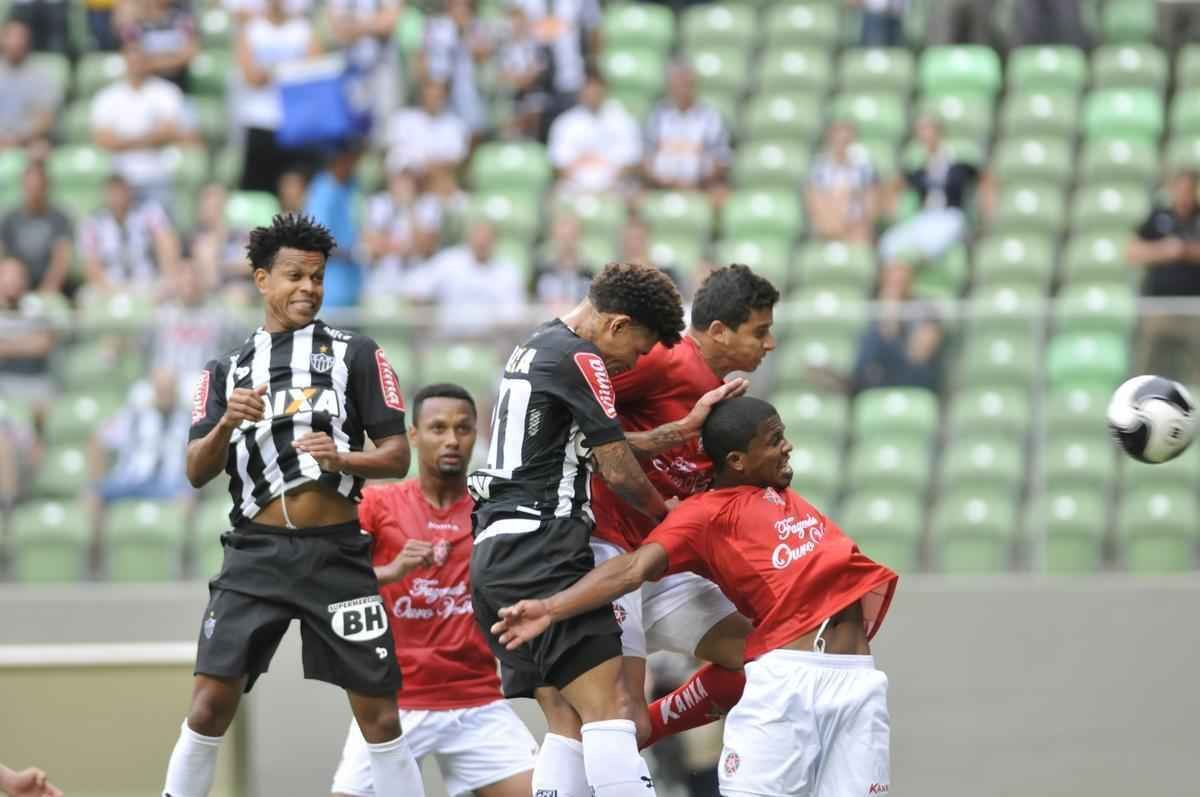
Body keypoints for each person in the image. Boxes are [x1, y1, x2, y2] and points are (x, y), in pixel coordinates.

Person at [493, 396, 899, 797]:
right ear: (737, 460)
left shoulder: (781, 493)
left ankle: (642, 733)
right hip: (790, 682)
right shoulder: (703, 514)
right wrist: (551, 608)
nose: (787, 447)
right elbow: (633, 569)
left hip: (860, 682)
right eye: (775, 440)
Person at [161, 214, 424, 797]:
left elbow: (397, 456)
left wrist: (342, 459)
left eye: (317, 277)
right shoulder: (225, 370)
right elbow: (196, 470)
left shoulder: (356, 353)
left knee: (381, 717)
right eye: (295, 276)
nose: (309, 287)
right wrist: (227, 423)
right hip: (255, 555)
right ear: (261, 279)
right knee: (207, 707)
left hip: (337, 556)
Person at [527, 265, 776, 797]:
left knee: (767, 657)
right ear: (719, 332)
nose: (769, 344)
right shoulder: (663, 361)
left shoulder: (721, 400)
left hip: (660, 565)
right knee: (602, 716)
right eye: (760, 331)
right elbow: (577, 419)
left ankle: (646, 734)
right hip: (605, 552)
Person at [468, 261, 687, 797]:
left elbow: (584, 441)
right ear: (616, 324)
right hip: (543, 545)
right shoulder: (583, 358)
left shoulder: (536, 344)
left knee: (565, 722)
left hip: (495, 551)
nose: (631, 362)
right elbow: (617, 469)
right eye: (636, 349)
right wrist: (670, 519)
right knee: (612, 711)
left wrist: (676, 432)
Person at [330, 383, 538, 797]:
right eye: (438, 428)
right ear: (414, 434)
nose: (451, 440)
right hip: (394, 705)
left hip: (477, 702)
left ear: (476, 434)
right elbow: (331, 583)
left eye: (463, 428)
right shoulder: (378, 504)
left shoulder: (493, 511)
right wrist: (392, 570)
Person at [878, 116, 979, 325]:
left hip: (950, 217)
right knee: (889, 245)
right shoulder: (920, 166)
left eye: (928, 131)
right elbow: (895, 185)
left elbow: (984, 178)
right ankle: (897, 307)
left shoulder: (957, 163)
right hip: (924, 219)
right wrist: (889, 206)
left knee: (920, 252)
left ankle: (908, 296)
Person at [91, 39, 196, 205]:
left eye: (140, 58)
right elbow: (103, 140)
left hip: (158, 175)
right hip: (121, 177)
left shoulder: (167, 92)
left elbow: (177, 132)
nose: (136, 64)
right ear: (124, 60)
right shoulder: (107, 97)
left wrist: (123, 141)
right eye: (132, 58)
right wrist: (151, 138)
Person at [234, 0, 321, 194]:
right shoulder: (252, 29)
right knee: (258, 192)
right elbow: (251, 77)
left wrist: (272, 71)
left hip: (295, 125)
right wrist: (291, 69)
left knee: (295, 191)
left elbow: (315, 73)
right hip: (260, 121)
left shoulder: (303, 29)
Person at [1126, 169, 1200, 387]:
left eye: (1189, 189)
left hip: (1194, 308)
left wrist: (1185, 251)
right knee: (1149, 366)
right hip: (1159, 307)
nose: (1184, 194)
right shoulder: (1158, 217)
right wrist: (1165, 250)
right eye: (1180, 189)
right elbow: (1132, 252)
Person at [400, 219, 526, 337]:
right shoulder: (448, 262)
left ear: (495, 241)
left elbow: (513, 315)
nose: (481, 243)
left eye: (486, 239)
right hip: (448, 338)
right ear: (469, 238)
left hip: (489, 341)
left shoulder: (507, 272)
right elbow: (415, 286)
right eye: (478, 238)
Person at [78, 174, 180, 295]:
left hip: (147, 281)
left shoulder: (149, 213)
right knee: (86, 295)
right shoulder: (92, 223)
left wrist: (167, 277)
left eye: (120, 192)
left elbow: (167, 244)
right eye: (112, 193)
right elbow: (90, 263)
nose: (117, 199)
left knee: (170, 290)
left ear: (129, 192)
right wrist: (109, 290)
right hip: (110, 285)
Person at [642, 62, 730, 202]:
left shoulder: (710, 117)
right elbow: (646, 158)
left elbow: (720, 160)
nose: (682, 89)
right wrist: (665, 181)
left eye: (686, 84)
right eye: (677, 84)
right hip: (660, 185)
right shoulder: (657, 116)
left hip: (701, 186)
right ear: (669, 87)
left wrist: (695, 182)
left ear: (694, 86)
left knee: (720, 196)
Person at [548, 70, 642, 196]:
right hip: (575, 188)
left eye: (596, 89)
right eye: (588, 89)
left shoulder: (624, 120)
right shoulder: (565, 122)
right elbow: (559, 164)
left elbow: (631, 161)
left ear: (605, 90)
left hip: (615, 187)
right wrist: (583, 187)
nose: (592, 94)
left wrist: (606, 185)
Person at [304, 139, 365, 310]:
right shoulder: (322, 191)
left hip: (353, 290)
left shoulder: (352, 186)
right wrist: (354, 252)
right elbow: (317, 242)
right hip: (329, 294)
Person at [0, 161, 73, 295]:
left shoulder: (59, 218)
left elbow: (61, 259)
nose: (34, 190)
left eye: (39, 185)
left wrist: (47, 290)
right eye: (31, 185)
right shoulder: (10, 218)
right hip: (16, 285)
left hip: (50, 286)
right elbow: (3, 256)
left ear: (46, 186)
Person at [806, 119, 880, 244]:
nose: (841, 145)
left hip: (857, 230)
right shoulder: (818, 168)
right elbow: (815, 205)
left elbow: (871, 206)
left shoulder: (864, 167)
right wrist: (833, 226)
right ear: (829, 140)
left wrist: (857, 227)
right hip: (827, 228)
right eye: (837, 139)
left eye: (846, 140)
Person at [386, 79, 471, 185]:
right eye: (429, 95)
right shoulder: (402, 119)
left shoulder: (456, 125)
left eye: (437, 96)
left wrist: (430, 167)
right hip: (408, 180)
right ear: (421, 95)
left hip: (441, 182)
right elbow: (397, 156)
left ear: (445, 96)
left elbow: (457, 160)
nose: (433, 99)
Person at [0, 19, 62, 154]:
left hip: (27, 141)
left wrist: (15, 139)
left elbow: (45, 119)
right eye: (10, 37)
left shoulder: (42, 77)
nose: (15, 42)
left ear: (28, 42)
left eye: (20, 37)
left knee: (40, 150)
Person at [116, 0, 198, 90]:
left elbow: (188, 54)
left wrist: (151, 63)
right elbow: (131, 54)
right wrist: (171, 59)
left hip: (178, 80)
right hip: (145, 82)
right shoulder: (134, 18)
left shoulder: (182, 16)